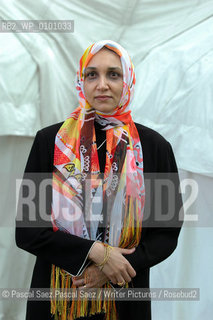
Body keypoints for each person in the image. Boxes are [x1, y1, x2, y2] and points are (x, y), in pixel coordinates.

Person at [16, 40, 183, 320]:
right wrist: (96, 252)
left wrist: (116, 267)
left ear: (128, 80)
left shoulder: (153, 147)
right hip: (56, 302)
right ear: (81, 81)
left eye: (113, 74)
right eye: (92, 74)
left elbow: (166, 233)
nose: (102, 84)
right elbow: (28, 231)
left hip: (124, 297)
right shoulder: (50, 142)